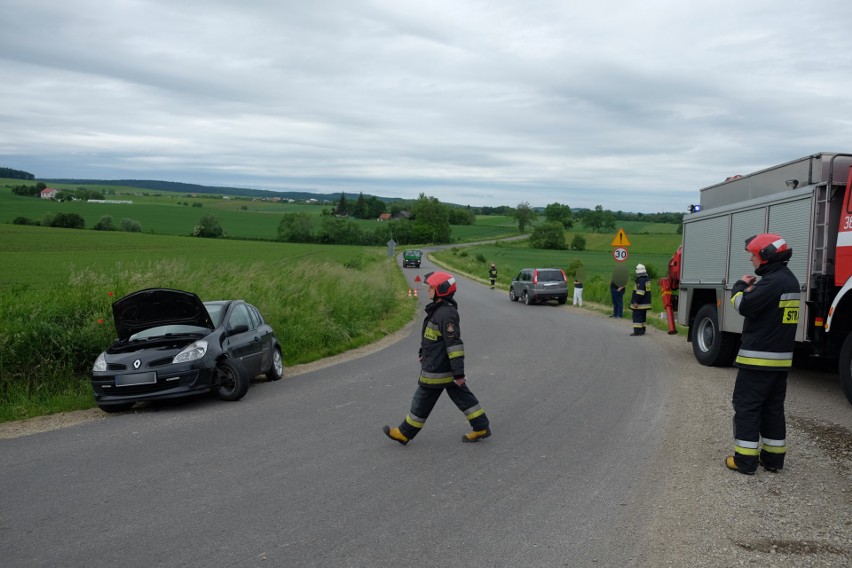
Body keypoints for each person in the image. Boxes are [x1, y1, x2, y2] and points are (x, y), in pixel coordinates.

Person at [383, 271, 491, 445]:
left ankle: (404, 433)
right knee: (463, 397)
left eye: (431, 288)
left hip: (439, 369)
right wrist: (423, 353)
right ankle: (481, 427)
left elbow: (454, 345)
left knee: (422, 399)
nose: (428, 291)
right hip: (438, 365)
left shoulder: (446, 314)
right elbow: (432, 338)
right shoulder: (439, 311)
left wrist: (458, 373)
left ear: (441, 290)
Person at [726, 233, 800, 475]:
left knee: (747, 407)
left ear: (766, 257)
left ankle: (744, 461)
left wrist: (739, 286)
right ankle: (773, 459)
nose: (751, 260)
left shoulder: (772, 283)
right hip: (779, 361)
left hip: (757, 360)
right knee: (772, 409)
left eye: (753, 255)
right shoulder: (789, 281)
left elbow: (743, 306)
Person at [629, 264, 652, 335]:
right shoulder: (647, 278)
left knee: (637, 317)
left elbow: (640, 292)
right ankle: (642, 330)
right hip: (646, 302)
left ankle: (637, 331)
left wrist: (636, 301)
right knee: (643, 317)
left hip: (640, 303)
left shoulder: (640, 279)